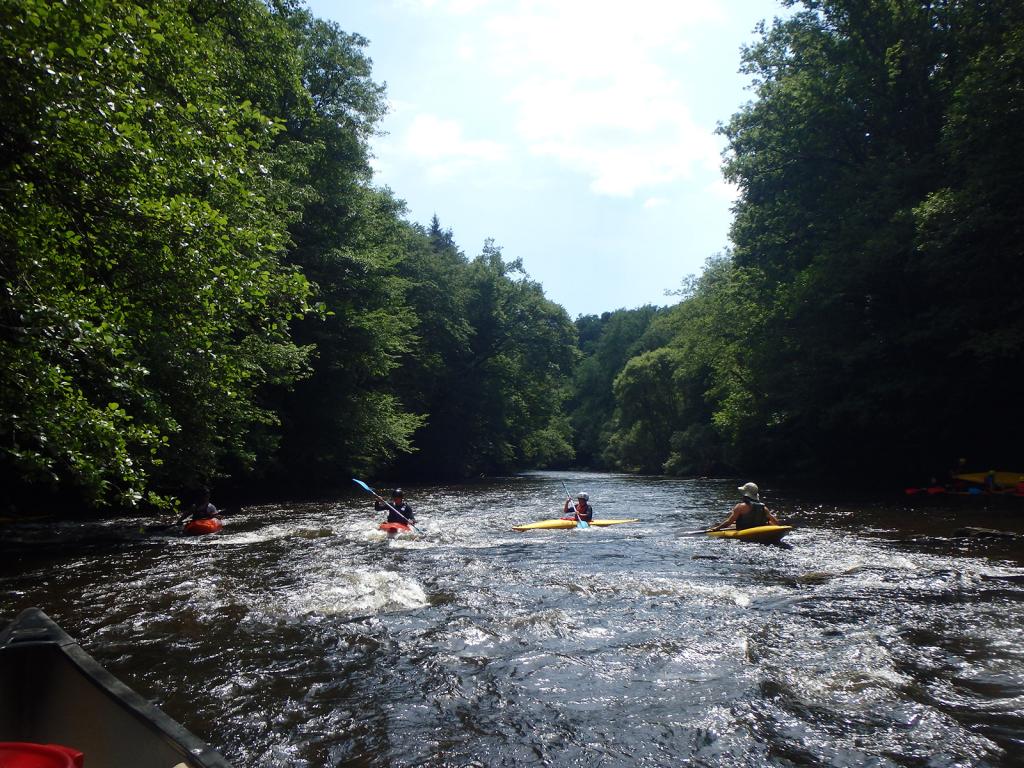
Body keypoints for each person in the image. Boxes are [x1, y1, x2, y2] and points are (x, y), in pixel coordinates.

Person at [709, 482, 778, 532]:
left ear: (745, 495)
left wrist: (717, 528)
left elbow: (729, 522)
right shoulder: (764, 508)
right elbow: (775, 522)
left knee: (728, 524)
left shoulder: (740, 507)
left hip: (744, 530)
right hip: (759, 529)